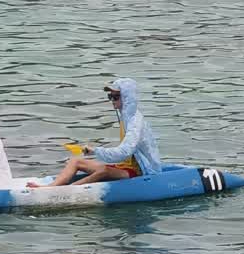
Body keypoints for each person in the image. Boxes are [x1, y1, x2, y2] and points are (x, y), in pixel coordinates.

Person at [28, 78, 162, 187]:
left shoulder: (135, 123)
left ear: (127, 98)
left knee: (104, 170)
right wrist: (93, 152)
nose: (112, 100)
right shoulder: (125, 118)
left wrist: (96, 151)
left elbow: (124, 152)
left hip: (139, 172)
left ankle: (65, 191)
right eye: (110, 96)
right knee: (75, 162)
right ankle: (52, 187)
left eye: (116, 97)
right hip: (122, 167)